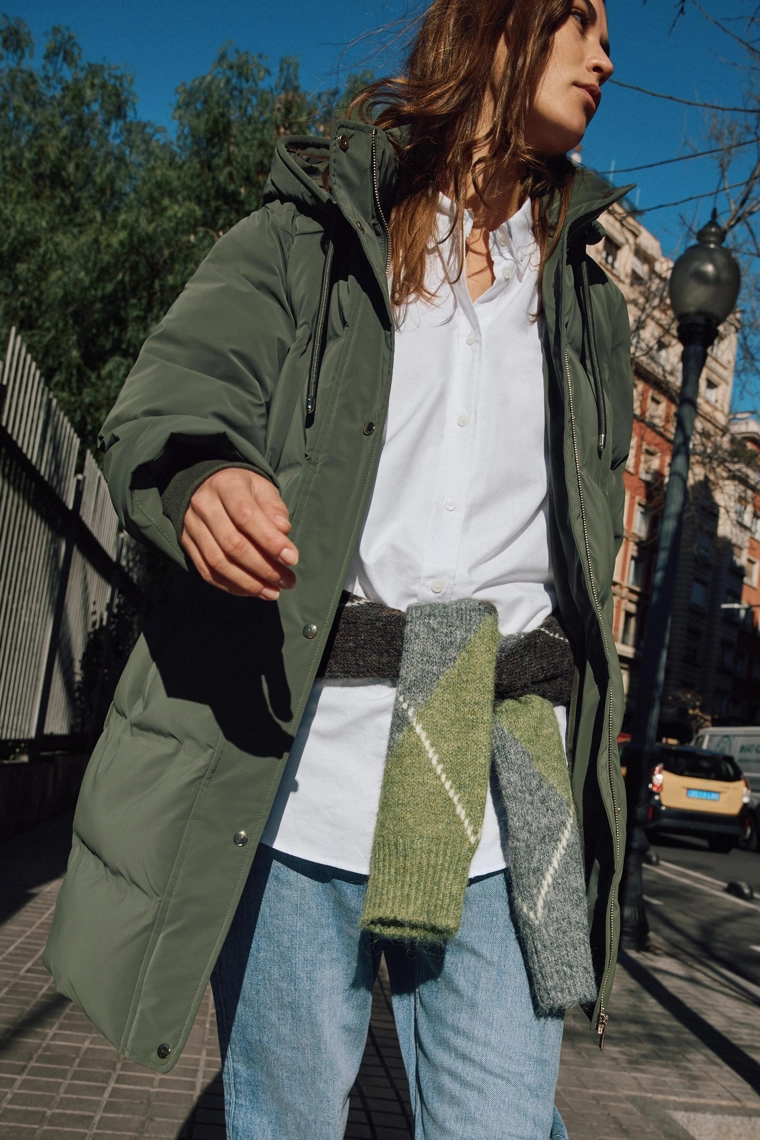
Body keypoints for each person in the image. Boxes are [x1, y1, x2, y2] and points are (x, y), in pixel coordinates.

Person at [44, 0, 633, 1136]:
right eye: (576, 18)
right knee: (285, 1118)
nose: (605, 55)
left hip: (519, 779)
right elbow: (174, 395)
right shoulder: (309, 232)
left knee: (505, 1124)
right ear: (495, 27)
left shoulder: (586, 293)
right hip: (307, 762)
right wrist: (205, 475)